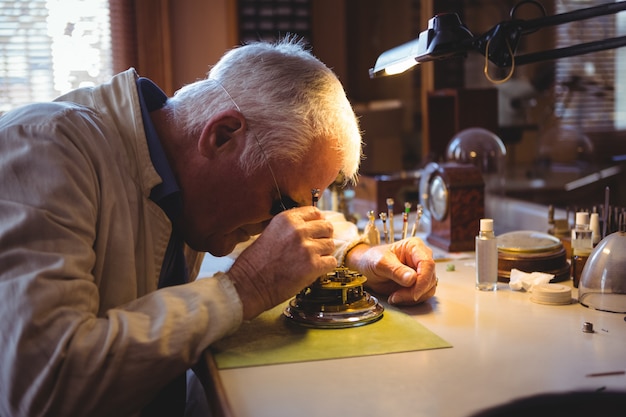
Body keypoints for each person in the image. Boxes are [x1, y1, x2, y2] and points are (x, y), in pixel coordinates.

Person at [0, 36, 437, 416]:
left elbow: (295, 221)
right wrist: (243, 289)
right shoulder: (46, 148)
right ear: (223, 135)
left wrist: (358, 255)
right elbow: (42, 389)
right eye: (281, 203)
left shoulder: (184, 182)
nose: (282, 223)